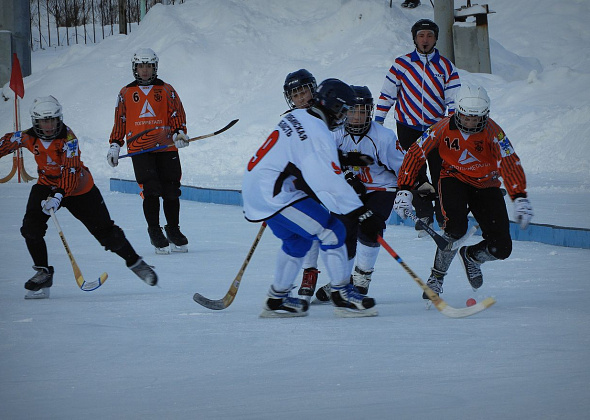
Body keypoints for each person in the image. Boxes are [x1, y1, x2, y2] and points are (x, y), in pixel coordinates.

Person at [242, 78, 384, 318]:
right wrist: (361, 212)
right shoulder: (318, 134)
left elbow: (306, 150)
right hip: (275, 194)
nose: (344, 117)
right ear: (334, 107)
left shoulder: (300, 116)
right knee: (332, 230)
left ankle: (276, 300)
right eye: (344, 111)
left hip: (259, 188)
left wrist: (343, 158)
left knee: (297, 242)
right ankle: (342, 295)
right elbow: (327, 183)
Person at [0, 96, 158, 299]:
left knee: (106, 233)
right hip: (47, 184)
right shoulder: (27, 136)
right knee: (31, 228)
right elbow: (5, 143)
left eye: (53, 120)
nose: (49, 126)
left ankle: (136, 263)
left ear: (59, 119)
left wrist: (58, 195)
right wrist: (53, 192)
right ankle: (43, 272)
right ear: (35, 122)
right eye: (43, 121)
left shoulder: (68, 138)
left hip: (80, 189)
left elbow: (71, 170)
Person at [392, 84, 533, 300]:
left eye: (476, 119)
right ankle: (437, 277)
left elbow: (510, 162)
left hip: (486, 184)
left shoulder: (494, 133)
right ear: (457, 112)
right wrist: (404, 189)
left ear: (485, 115)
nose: (470, 123)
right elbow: (416, 152)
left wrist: (520, 196)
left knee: (502, 247)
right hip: (453, 179)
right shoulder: (441, 128)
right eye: (465, 117)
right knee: (455, 229)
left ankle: (472, 256)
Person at [314, 85, 406, 302]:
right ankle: (343, 282)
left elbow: (403, 168)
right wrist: (346, 177)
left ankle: (362, 277)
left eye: (362, 111)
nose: (356, 116)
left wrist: (412, 189)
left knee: (370, 225)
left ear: (370, 112)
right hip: (347, 192)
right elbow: (325, 162)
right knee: (342, 231)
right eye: (352, 111)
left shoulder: (383, 137)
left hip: (381, 188)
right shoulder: (335, 133)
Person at [375, 19, 460, 235]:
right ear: (414, 38)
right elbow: (387, 94)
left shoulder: (446, 66)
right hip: (408, 127)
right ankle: (423, 215)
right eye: (421, 35)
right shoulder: (401, 64)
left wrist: (451, 124)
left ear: (435, 39)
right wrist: (378, 122)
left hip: (436, 129)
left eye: (429, 35)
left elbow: (454, 99)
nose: (425, 40)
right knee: (414, 172)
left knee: (441, 172)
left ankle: (444, 216)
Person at [107, 47, 190, 255]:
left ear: (155, 67)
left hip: (165, 146)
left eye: (149, 66)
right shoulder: (125, 93)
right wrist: (115, 145)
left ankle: (173, 229)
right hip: (140, 148)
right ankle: (154, 231)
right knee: (151, 189)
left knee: (171, 189)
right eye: (141, 66)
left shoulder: (167, 90)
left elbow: (176, 114)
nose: (145, 71)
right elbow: (120, 120)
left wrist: (179, 133)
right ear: (135, 68)